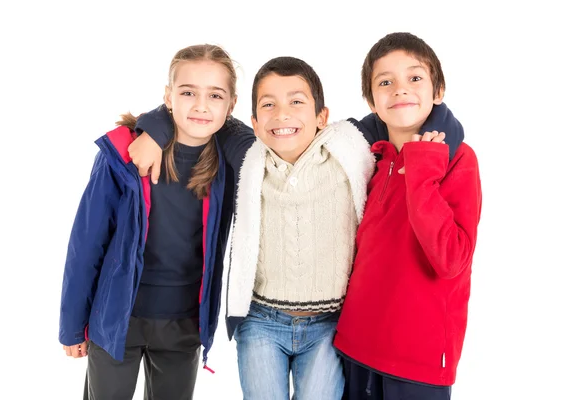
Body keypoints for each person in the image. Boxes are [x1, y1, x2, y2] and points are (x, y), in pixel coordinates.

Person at [128, 53, 464, 399]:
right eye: (269, 105)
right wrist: (155, 128)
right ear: (255, 122)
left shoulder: (349, 144)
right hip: (261, 321)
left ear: (322, 117)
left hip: (328, 324)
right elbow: (207, 115)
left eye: (296, 102)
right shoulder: (248, 153)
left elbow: (412, 112)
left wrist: (441, 147)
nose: (283, 114)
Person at [58, 44, 238, 400]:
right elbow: (86, 243)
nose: (201, 105)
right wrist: (71, 326)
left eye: (215, 95)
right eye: (188, 92)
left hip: (184, 323)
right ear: (168, 97)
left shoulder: (230, 162)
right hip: (116, 320)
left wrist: (155, 123)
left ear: (231, 106)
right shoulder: (123, 153)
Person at [333, 32, 482, 400]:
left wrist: (422, 170)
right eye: (386, 82)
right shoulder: (369, 158)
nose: (400, 89)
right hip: (354, 345)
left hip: (417, 361)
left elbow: (450, 260)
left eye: (414, 78)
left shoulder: (459, 160)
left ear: (438, 91)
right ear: (371, 101)